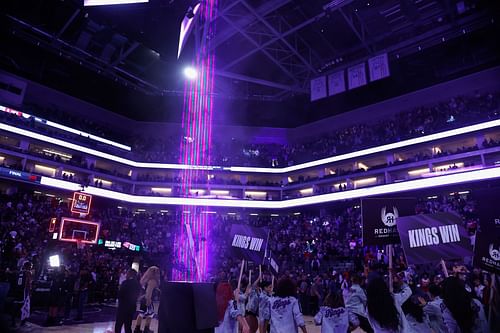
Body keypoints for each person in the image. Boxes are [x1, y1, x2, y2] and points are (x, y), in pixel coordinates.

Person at [134, 266, 160, 333]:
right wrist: (148, 301)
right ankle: (146, 329)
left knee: (141, 314)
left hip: (143, 299)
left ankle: (137, 329)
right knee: (150, 315)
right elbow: (149, 291)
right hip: (148, 299)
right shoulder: (153, 281)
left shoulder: (145, 279)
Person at [115, 269, 141, 333]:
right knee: (128, 326)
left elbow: (119, 295)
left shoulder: (125, 283)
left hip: (122, 307)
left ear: (129, 274)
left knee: (118, 325)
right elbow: (138, 295)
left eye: (127, 273)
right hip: (131, 308)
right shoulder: (138, 284)